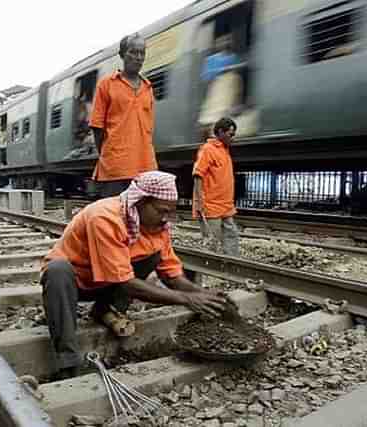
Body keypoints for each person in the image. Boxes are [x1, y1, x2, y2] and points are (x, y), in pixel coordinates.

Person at [41, 171, 228, 379]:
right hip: (77, 282)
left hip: (107, 280)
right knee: (57, 270)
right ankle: (68, 363)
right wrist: (187, 299)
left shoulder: (157, 224)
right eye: (161, 211)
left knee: (152, 256)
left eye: (170, 212)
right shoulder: (105, 217)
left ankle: (105, 309)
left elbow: (171, 275)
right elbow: (127, 283)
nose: (166, 218)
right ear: (141, 202)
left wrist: (205, 296)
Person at [89, 33, 158, 198]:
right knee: (114, 220)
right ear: (122, 54)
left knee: (141, 221)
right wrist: (110, 154)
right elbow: (97, 128)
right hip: (115, 170)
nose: (138, 57)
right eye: (133, 52)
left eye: (142, 53)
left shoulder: (148, 88)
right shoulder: (106, 85)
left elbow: (148, 130)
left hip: (146, 168)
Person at [193, 117, 240, 256]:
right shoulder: (207, 149)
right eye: (230, 134)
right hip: (210, 205)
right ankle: (208, 272)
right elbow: (198, 175)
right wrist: (200, 202)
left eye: (234, 135)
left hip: (226, 205)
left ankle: (233, 267)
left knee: (231, 235)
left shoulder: (224, 150)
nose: (233, 138)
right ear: (220, 132)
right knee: (212, 241)